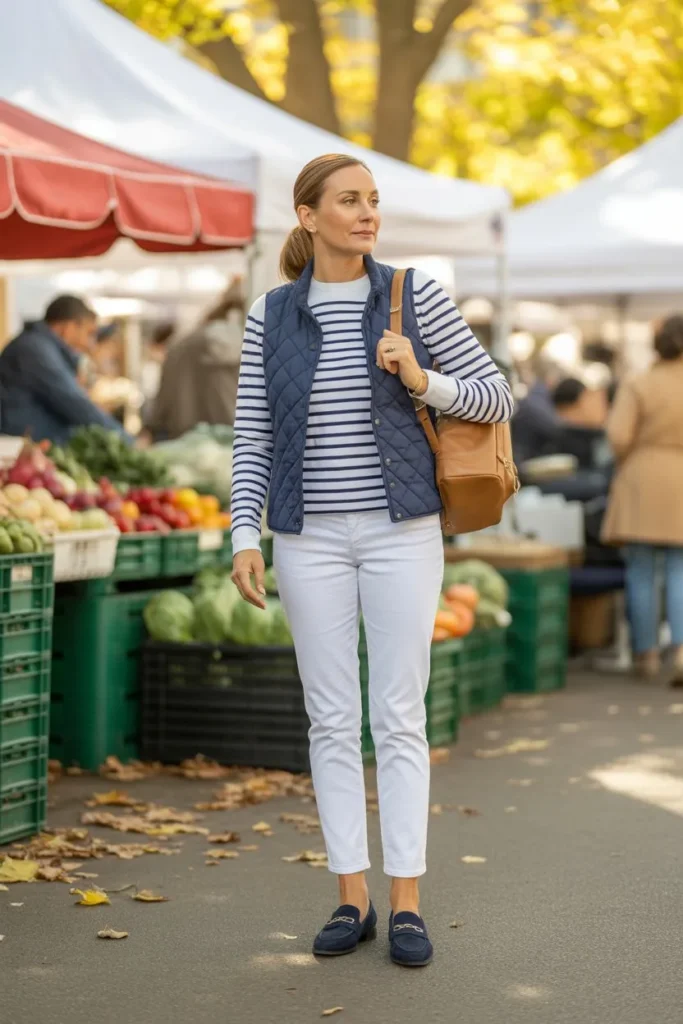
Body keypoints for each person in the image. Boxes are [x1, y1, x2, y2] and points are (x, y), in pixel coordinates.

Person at [229, 154, 513, 967]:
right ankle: (349, 895)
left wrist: (424, 379)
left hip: (400, 532)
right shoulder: (270, 315)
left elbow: (496, 395)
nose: (367, 213)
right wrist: (244, 534)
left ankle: (407, 901)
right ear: (307, 215)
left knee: (398, 714)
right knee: (330, 717)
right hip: (307, 537)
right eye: (349, 201)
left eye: (373, 201)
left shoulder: (411, 293)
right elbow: (254, 435)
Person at [602, 315, 683, 685]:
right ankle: (682, 651)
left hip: (642, 477)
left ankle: (646, 655)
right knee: (680, 570)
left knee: (640, 572)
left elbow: (618, 436)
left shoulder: (640, 382)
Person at [0, 295, 129, 445]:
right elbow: (76, 404)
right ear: (68, 327)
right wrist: (126, 440)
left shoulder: (42, 347)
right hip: (19, 450)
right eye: (89, 333)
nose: (90, 344)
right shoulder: (35, 350)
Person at [147, 283, 243, 440]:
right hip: (236, 438)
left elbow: (161, 406)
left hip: (184, 441)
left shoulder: (180, 346)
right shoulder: (255, 345)